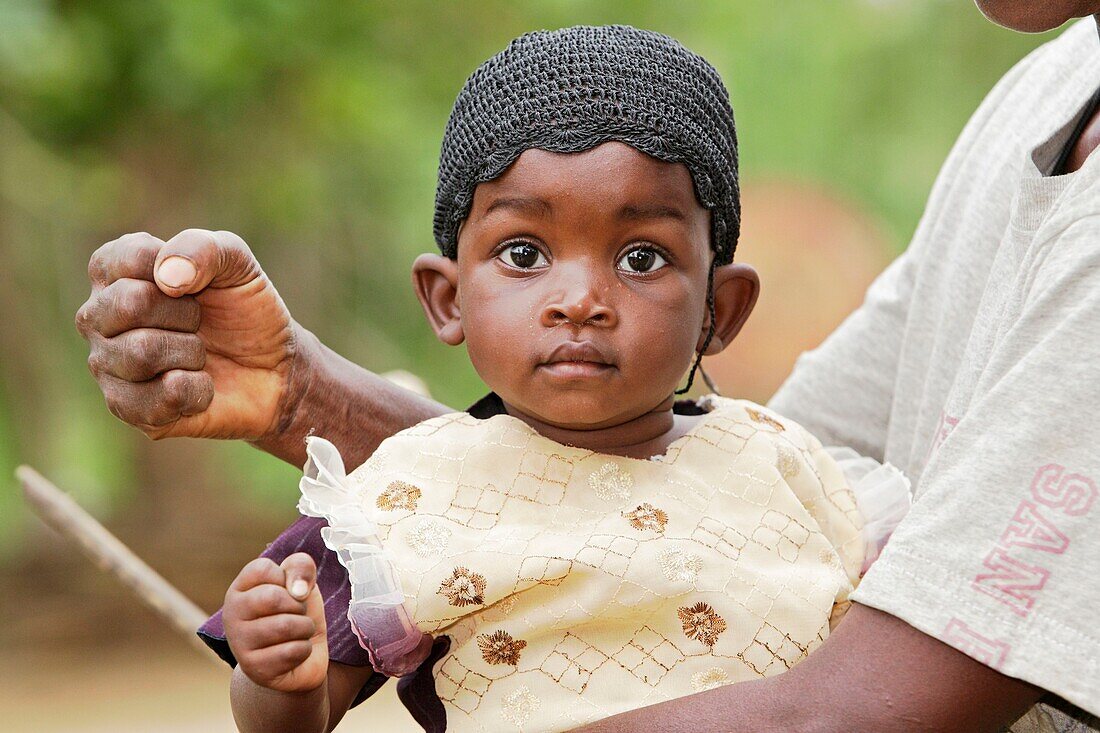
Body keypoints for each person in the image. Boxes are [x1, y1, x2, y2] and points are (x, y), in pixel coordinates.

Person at [74, 2, 1100, 731]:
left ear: (721, 308)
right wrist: (281, 676)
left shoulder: (795, 473)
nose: (579, 297)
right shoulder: (381, 516)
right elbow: (297, 712)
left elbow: (864, 702)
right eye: (522, 254)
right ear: (444, 296)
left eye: (643, 256)